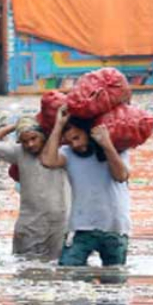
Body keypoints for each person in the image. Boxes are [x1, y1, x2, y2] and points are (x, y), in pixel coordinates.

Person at [40, 106, 131, 267]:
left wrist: (107, 144)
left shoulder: (116, 149)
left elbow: (121, 176)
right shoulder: (68, 154)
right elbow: (47, 161)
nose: (74, 145)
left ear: (89, 133)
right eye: (69, 141)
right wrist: (58, 125)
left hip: (115, 228)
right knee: (67, 272)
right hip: (81, 227)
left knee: (114, 281)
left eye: (77, 138)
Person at [0, 116, 69, 261]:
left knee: (56, 270)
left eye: (34, 138)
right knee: (24, 268)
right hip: (29, 225)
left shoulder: (61, 153)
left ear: (43, 136)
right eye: (25, 141)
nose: (30, 144)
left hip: (59, 225)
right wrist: (15, 126)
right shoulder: (19, 153)